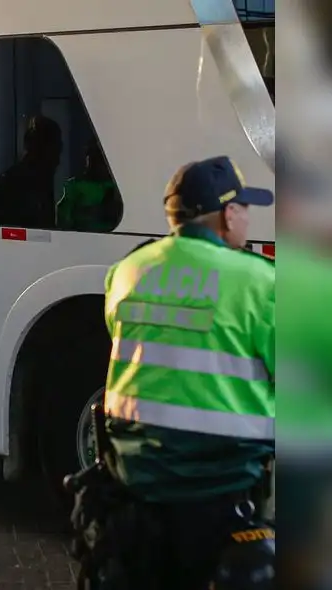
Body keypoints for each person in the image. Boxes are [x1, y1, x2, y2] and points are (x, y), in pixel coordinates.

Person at [80, 156, 275, 589]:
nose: (248, 218)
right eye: (245, 208)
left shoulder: (128, 271)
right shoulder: (258, 282)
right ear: (228, 214)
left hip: (135, 490)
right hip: (221, 494)